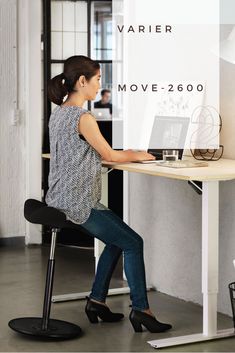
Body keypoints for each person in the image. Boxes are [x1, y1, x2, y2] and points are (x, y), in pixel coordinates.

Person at [46, 55, 172, 333]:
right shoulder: (83, 117)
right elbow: (110, 154)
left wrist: (126, 155)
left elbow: (84, 154)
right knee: (133, 242)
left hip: (59, 197)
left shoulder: (59, 113)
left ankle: (97, 301)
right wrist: (141, 154)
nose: (100, 85)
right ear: (82, 81)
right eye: (98, 80)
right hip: (78, 202)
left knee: (116, 240)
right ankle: (142, 310)